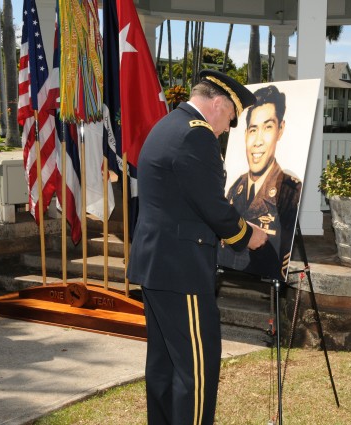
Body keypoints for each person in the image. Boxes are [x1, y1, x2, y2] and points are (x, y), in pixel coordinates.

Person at [126, 69, 268, 425]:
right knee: (197, 369)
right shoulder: (197, 136)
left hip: (157, 264)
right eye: (230, 119)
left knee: (163, 364)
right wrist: (247, 235)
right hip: (181, 270)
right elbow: (212, 206)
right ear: (218, 103)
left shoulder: (168, 125)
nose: (226, 130)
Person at [218, 85, 302, 281]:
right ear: (246, 134)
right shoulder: (235, 188)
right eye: (253, 129)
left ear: (280, 130)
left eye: (268, 127)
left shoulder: (290, 191)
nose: (258, 141)